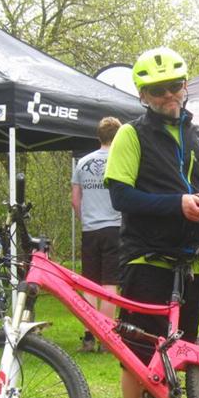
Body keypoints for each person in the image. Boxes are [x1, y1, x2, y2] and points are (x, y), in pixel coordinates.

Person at [104, 47, 199, 398]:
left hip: (191, 260)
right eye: (157, 90)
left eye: (174, 86)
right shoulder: (131, 135)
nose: (168, 95)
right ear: (143, 95)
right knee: (139, 354)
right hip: (146, 259)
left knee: (178, 355)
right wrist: (176, 204)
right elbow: (121, 195)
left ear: (186, 85)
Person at [72, 116, 122, 352]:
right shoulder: (120, 160)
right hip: (115, 227)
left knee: (89, 284)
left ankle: (89, 336)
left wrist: (85, 220)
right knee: (110, 284)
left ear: (98, 136)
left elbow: (75, 200)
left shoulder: (82, 163)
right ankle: (107, 338)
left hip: (90, 229)